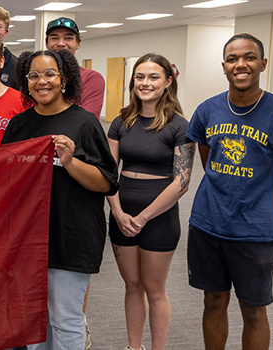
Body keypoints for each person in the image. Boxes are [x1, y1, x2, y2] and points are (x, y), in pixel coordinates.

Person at [185, 33, 273, 350]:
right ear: (224, 66)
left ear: (262, 63)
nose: (241, 64)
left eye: (250, 57)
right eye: (232, 59)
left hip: (254, 233)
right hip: (207, 224)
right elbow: (207, 162)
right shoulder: (207, 111)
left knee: (253, 311)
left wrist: (262, 210)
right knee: (213, 300)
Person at [2, 49, 118, 350]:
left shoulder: (85, 124)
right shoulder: (18, 126)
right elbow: (3, 180)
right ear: (26, 82)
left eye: (50, 74)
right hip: (29, 240)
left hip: (71, 236)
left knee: (65, 320)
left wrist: (70, 161)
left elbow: (107, 183)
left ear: (64, 79)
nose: (42, 81)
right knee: (33, 323)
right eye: (34, 75)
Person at [106, 53, 194, 350]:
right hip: (122, 214)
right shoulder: (120, 121)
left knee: (154, 289)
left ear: (168, 81)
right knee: (132, 286)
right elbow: (108, 171)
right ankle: (134, 347)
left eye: (153, 77)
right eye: (140, 76)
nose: (145, 83)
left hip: (159, 218)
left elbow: (181, 181)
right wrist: (117, 212)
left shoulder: (180, 126)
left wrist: (142, 218)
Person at [45, 17, 105, 121]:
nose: (61, 43)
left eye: (68, 38)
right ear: (47, 43)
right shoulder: (35, 77)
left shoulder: (91, 79)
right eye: (54, 38)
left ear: (78, 43)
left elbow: (86, 121)